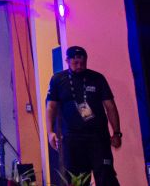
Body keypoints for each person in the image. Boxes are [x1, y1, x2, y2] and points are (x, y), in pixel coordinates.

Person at [46, 45, 121, 186]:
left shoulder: (97, 78)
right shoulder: (58, 79)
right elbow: (51, 107)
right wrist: (50, 132)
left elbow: (110, 106)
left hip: (98, 137)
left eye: (83, 62)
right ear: (67, 61)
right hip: (73, 138)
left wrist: (117, 133)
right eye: (75, 63)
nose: (80, 66)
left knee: (106, 177)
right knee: (77, 180)